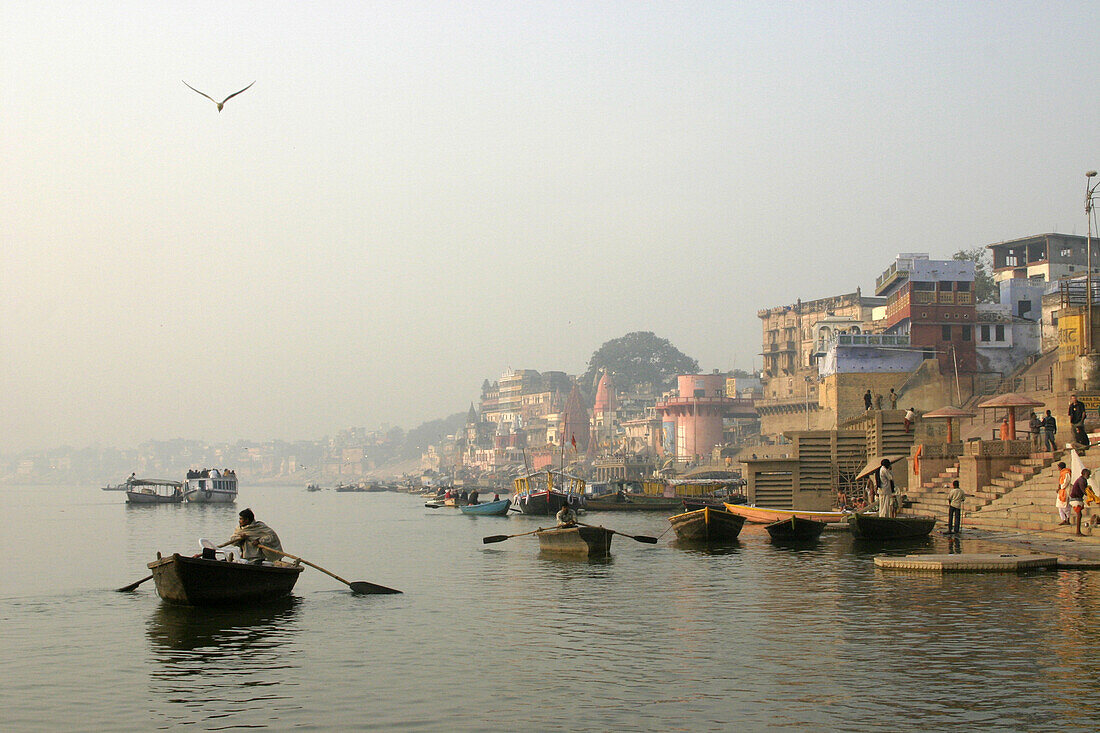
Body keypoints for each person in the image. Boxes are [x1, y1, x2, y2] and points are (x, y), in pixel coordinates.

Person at [1070, 468, 1090, 536]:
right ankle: (1078, 532)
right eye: (1088, 474)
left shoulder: (1083, 480)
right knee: (1079, 515)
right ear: (1083, 474)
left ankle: (1078, 531)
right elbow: (1084, 490)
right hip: (1075, 499)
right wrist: (1091, 496)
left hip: (1078, 498)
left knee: (1079, 515)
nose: (1088, 476)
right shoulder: (1081, 480)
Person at [1056, 461, 1072, 525]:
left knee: (1066, 507)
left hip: (1065, 492)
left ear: (1060, 467)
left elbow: (1065, 482)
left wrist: (1060, 487)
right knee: (1060, 507)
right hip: (1061, 492)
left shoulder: (1066, 473)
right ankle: (1063, 519)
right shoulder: (1062, 473)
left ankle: (1067, 519)